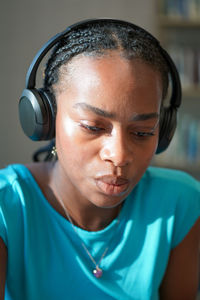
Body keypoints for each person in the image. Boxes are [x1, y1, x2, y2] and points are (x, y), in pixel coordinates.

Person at [0, 19, 200, 300]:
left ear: (163, 131)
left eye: (143, 132)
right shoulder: (7, 207)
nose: (119, 155)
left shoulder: (181, 202)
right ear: (45, 119)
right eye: (94, 127)